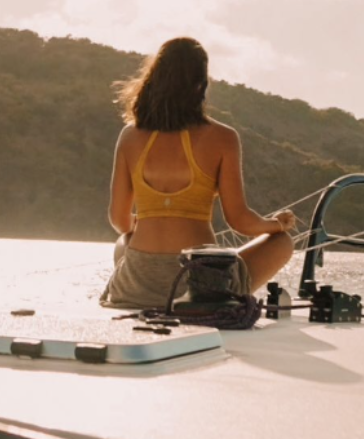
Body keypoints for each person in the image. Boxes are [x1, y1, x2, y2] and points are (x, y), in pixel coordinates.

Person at [100, 37, 295, 309]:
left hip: (134, 288)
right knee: (282, 243)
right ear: (200, 84)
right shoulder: (223, 137)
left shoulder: (130, 136)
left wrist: (153, 224)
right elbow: (240, 221)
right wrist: (277, 225)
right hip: (199, 289)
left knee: (127, 239)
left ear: (154, 79)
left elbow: (120, 221)